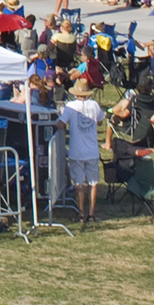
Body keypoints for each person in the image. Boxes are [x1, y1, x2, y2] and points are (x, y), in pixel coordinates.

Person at [60, 80, 104, 222]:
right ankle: (91, 213)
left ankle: (80, 213)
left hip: (77, 150)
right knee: (93, 182)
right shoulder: (94, 105)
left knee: (79, 183)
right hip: (92, 149)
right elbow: (100, 120)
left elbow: (61, 123)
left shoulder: (70, 106)